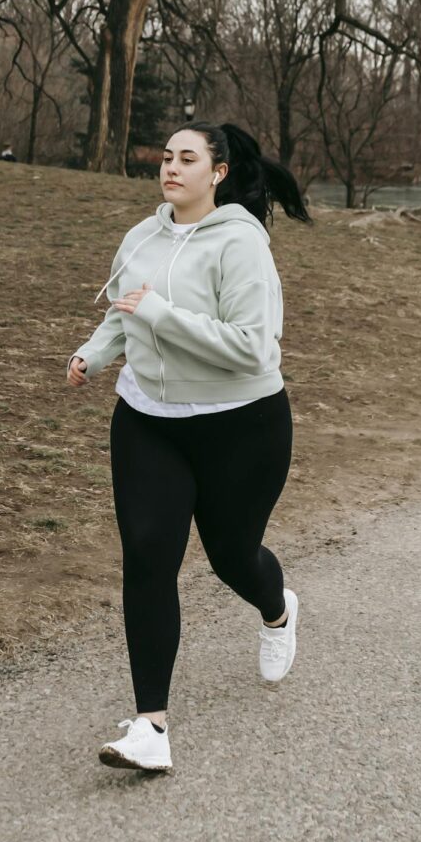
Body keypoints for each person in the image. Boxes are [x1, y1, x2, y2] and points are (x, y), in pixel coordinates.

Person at [66, 121, 311, 772]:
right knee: (148, 556)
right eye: (167, 156)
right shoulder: (140, 237)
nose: (171, 167)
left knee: (233, 556)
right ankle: (151, 727)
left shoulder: (242, 245)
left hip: (242, 426)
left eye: (188, 158)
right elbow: (125, 310)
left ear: (219, 173)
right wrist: (93, 354)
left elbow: (252, 346)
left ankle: (276, 609)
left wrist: (158, 316)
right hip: (149, 420)